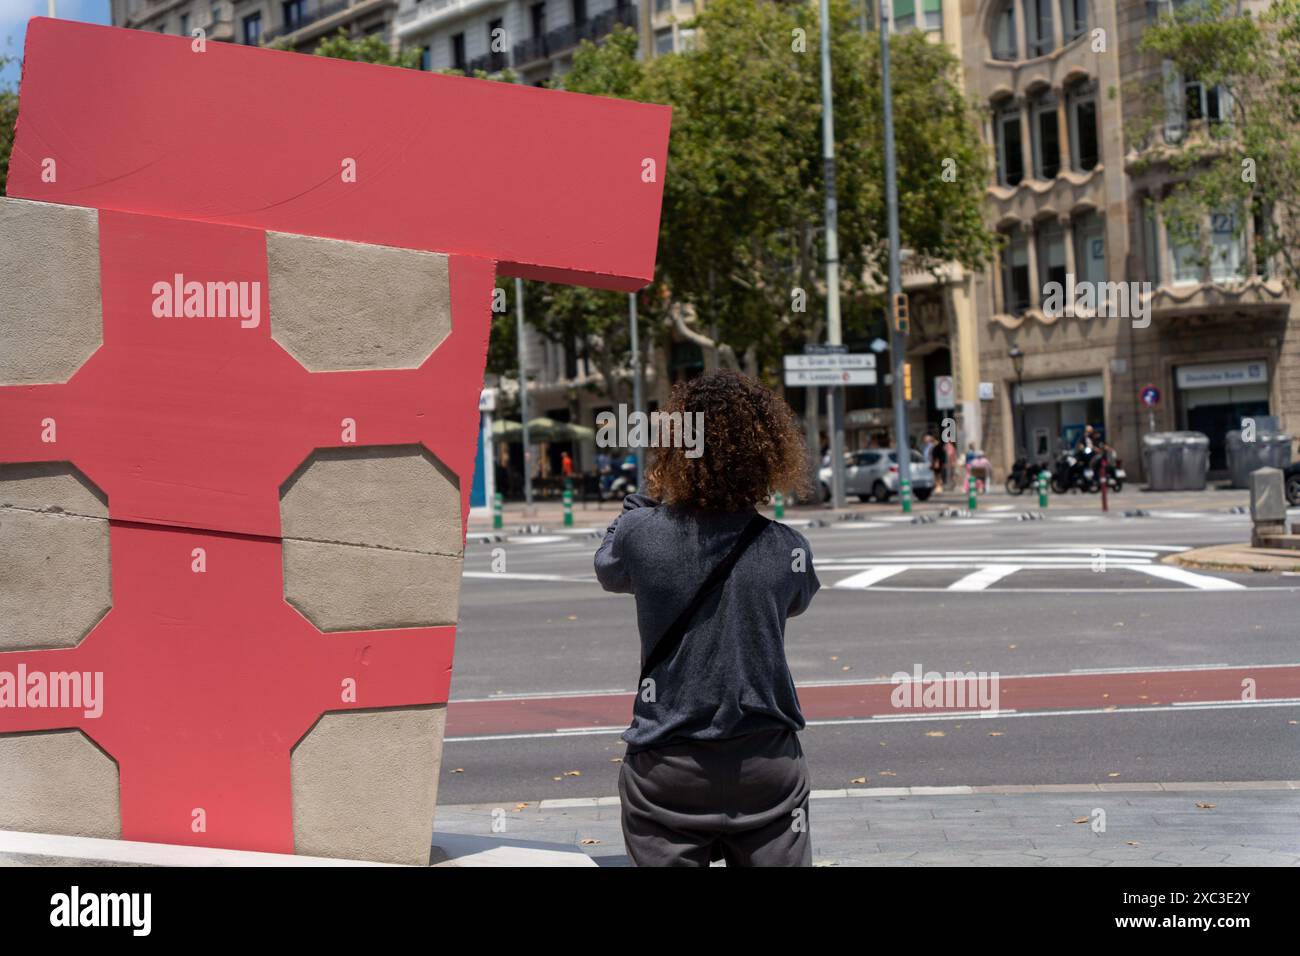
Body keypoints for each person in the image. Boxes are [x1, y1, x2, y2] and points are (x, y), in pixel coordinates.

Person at [594, 369, 820, 867]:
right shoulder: (787, 547)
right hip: (767, 767)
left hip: (668, 768)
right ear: (769, 454)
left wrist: (641, 505)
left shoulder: (640, 533)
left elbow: (608, 569)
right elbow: (798, 601)